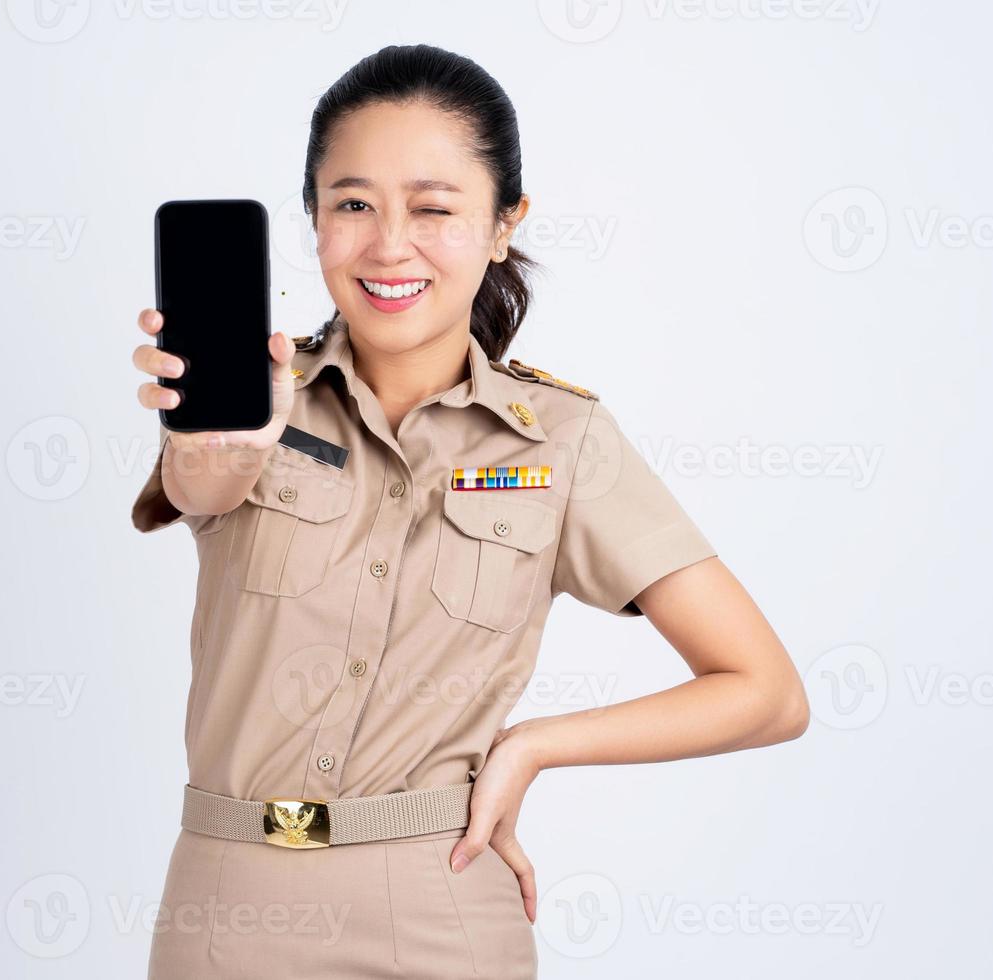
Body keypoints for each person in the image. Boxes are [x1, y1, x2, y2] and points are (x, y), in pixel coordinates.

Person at [129, 43, 808, 980]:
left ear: (502, 225)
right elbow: (200, 487)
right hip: (228, 904)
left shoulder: (560, 440)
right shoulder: (249, 401)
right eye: (352, 204)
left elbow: (765, 690)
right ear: (314, 220)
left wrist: (535, 746)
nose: (389, 245)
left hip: (440, 905)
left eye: (435, 209)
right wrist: (216, 441)